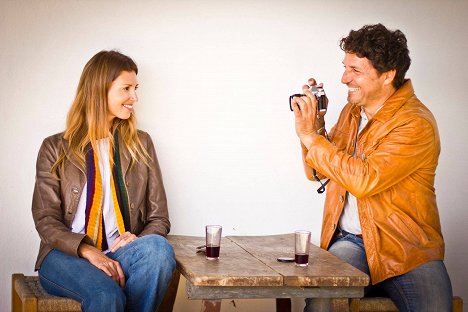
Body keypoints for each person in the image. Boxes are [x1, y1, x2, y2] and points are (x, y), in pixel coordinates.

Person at [290, 24, 453, 311]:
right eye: (345, 67)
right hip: (350, 243)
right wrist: (315, 128)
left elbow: (365, 180)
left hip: (408, 248)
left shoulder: (415, 123)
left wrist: (311, 138)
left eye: (355, 70)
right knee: (321, 302)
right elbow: (318, 173)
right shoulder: (351, 112)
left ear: (388, 75)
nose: (343, 78)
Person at [31, 50, 176, 312]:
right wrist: (89, 251)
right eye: (126, 89)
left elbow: (159, 219)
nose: (135, 97)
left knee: (157, 248)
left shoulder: (141, 143)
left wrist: (134, 240)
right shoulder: (54, 147)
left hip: (120, 251)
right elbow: (45, 220)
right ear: (100, 90)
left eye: (136, 88)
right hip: (67, 255)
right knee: (106, 295)